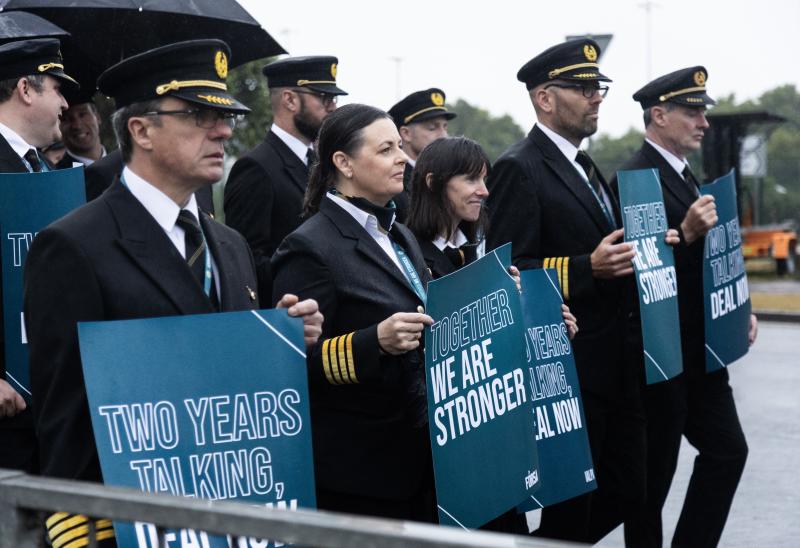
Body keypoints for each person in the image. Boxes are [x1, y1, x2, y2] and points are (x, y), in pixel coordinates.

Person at [24, 39, 323, 548]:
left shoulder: (228, 245)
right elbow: (65, 421)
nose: (224, 130)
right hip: (134, 526)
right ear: (140, 130)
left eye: (224, 116)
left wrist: (275, 338)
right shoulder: (73, 246)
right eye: (200, 116)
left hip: (231, 518)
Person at [485, 38, 645, 543]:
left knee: (628, 489)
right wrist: (585, 269)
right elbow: (512, 268)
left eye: (598, 86)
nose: (596, 96)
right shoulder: (519, 166)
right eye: (582, 87)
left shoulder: (586, 164)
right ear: (544, 98)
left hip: (617, 363)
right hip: (569, 367)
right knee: (571, 511)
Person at [271, 103, 436, 522]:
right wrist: (372, 342)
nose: (402, 157)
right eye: (385, 149)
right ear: (343, 163)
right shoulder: (308, 246)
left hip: (424, 459)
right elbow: (291, 365)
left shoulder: (400, 234)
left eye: (400, 146)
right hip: (361, 475)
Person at [617, 66, 756, 548]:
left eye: (704, 112)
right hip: (663, 356)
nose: (704, 123)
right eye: (692, 112)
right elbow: (640, 272)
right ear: (659, 115)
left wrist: (738, 309)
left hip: (703, 353)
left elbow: (714, 261)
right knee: (651, 485)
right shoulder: (635, 178)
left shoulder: (685, 176)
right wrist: (689, 235)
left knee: (727, 452)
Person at [0, 37, 77, 475]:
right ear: (26, 90)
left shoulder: (42, 170)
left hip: (44, 398)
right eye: (57, 89)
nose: (66, 104)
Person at [225, 56, 347, 301]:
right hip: (289, 312)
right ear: (290, 100)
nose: (332, 107)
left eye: (333, 99)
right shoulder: (256, 167)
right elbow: (246, 259)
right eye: (324, 98)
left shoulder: (320, 162)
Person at [387, 88, 456, 222]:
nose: (444, 135)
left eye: (445, 126)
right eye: (432, 128)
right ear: (406, 134)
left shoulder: (446, 177)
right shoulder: (395, 183)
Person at [56, 89, 107, 168]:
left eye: (82, 114)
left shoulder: (126, 164)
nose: (77, 126)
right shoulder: (58, 176)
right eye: (65, 118)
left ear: (97, 117)